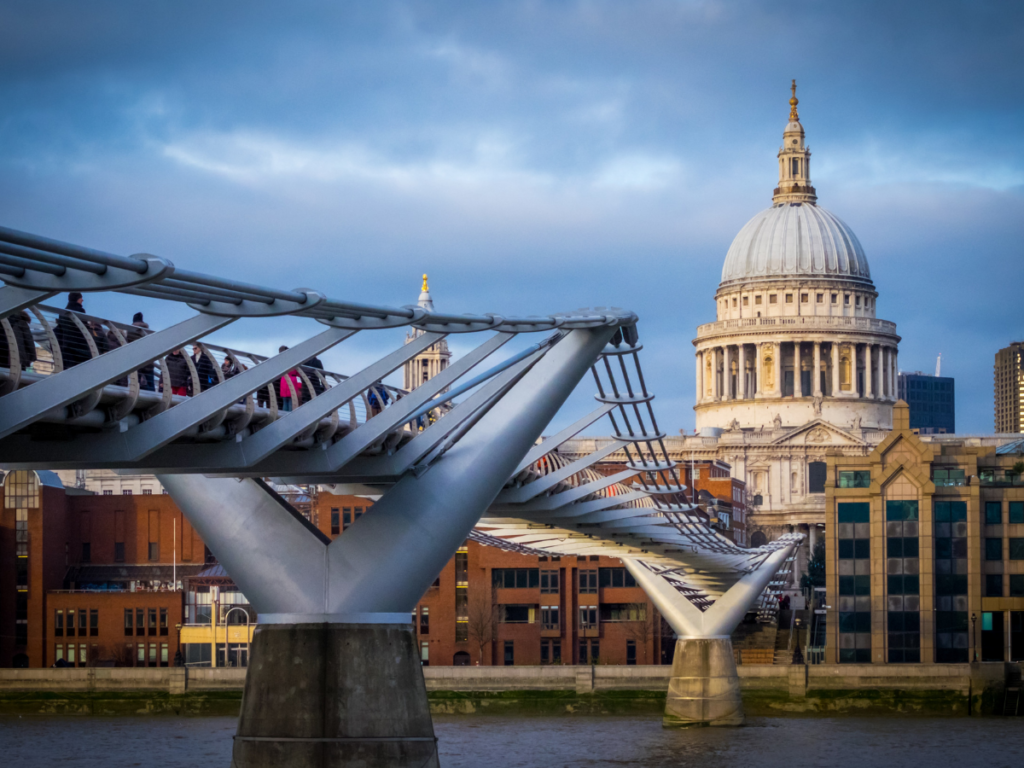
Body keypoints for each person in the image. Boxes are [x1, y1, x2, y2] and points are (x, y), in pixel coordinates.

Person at [53, 292, 91, 368]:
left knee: (70, 369)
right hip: (79, 346)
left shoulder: (62, 313)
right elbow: (84, 327)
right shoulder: (79, 310)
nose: (82, 300)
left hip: (66, 345)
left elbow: (61, 329)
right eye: (81, 298)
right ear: (77, 299)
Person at [128, 313, 155, 391]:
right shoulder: (147, 331)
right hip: (149, 361)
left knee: (138, 384)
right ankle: (152, 399)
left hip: (137, 361)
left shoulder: (130, 331)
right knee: (150, 384)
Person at [276, 346, 302, 412]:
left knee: (285, 403)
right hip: (293, 385)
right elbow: (299, 376)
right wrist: (299, 388)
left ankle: (284, 418)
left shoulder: (280, 362)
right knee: (291, 404)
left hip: (284, 383)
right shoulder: (294, 362)